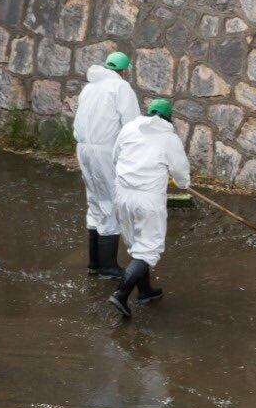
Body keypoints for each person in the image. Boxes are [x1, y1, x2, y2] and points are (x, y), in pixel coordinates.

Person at [108, 99, 190, 318]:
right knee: (149, 247)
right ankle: (121, 294)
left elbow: (115, 157)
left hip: (122, 194)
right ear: (168, 117)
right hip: (148, 199)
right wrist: (183, 183)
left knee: (136, 243)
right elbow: (181, 171)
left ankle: (145, 291)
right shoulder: (169, 138)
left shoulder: (129, 128)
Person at [73, 51, 140, 278]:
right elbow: (132, 126)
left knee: (94, 201)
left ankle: (94, 264)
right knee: (110, 202)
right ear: (123, 70)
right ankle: (108, 267)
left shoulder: (89, 88)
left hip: (83, 148)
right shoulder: (121, 88)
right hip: (105, 151)